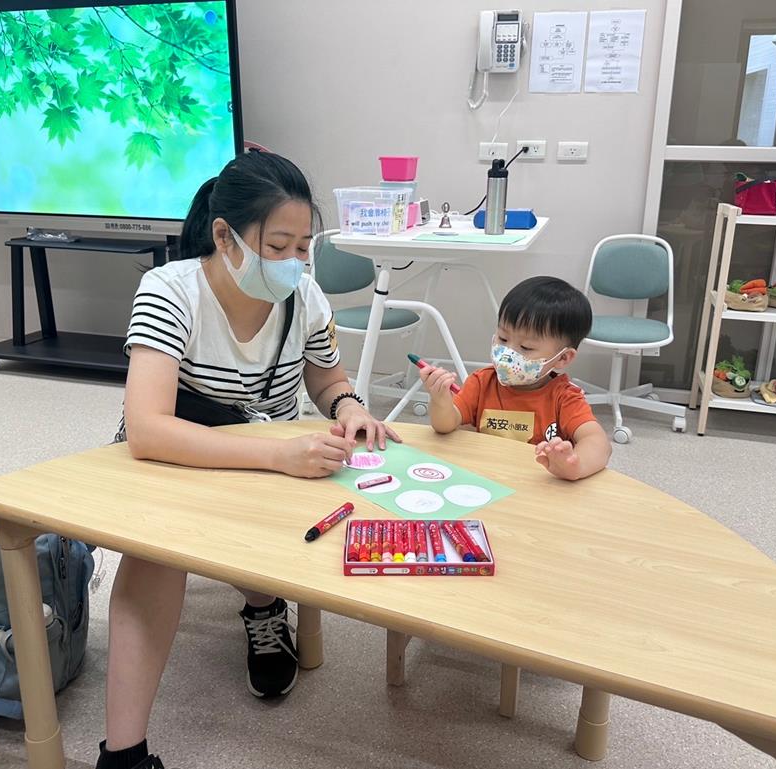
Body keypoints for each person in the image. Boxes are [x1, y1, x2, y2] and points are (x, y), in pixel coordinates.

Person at [98, 151, 399, 769]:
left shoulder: (304, 295)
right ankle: (123, 754)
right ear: (224, 237)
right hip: (182, 455)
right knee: (156, 550)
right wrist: (278, 455)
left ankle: (263, 605)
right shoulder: (170, 290)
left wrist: (349, 407)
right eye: (278, 245)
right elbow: (149, 431)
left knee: (298, 541)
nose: (293, 262)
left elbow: (327, 379)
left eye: (303, 247)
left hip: (272, 458)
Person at [418, 276, 610, 481]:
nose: (508, 353)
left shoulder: (564, 397)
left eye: (526, 347)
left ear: (563, 358)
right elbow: (445, 425)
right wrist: (440, 400)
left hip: (536, 484)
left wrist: (574, 465)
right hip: (487, 478)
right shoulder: (482, 382)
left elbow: (598, 442)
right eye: (503, 338)